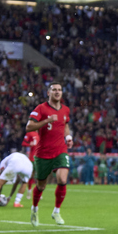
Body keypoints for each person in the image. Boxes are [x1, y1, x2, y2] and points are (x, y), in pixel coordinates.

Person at [25, 81, 73, 226]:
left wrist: (68, 137)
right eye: (54, 90)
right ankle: (34, 209)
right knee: (41, 186)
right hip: (43, 153)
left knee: (62, 179)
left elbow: (65, 125)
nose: (57, 92)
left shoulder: (65, 110)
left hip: (60, 150)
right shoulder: (41, 108)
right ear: (48, 93)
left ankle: (56, 211)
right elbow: (29, 127)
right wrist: (46, 120)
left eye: (59, 90)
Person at [22, 130, 40, 199]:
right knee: (31, 175)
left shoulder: (41, 133)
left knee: (40, 176)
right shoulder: (30, 133)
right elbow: (24, 143)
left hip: (40, 158)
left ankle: (39, 192)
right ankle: (29, 191)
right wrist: (30, 144)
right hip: (32, 158)